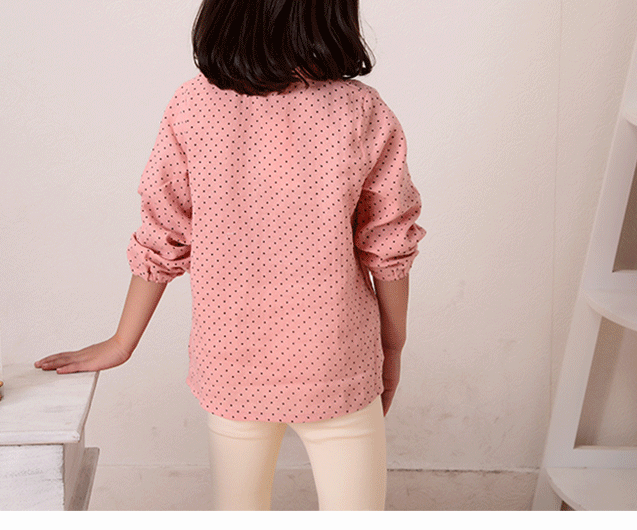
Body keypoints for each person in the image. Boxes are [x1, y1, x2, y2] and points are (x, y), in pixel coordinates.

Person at [35, 0, 425, 511]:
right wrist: (393, 348)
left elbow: (164, 232)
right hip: (337, 361)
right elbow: (388, 245)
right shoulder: (360, 110)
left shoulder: (193, 105)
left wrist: (122, 341)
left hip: (231, 362)